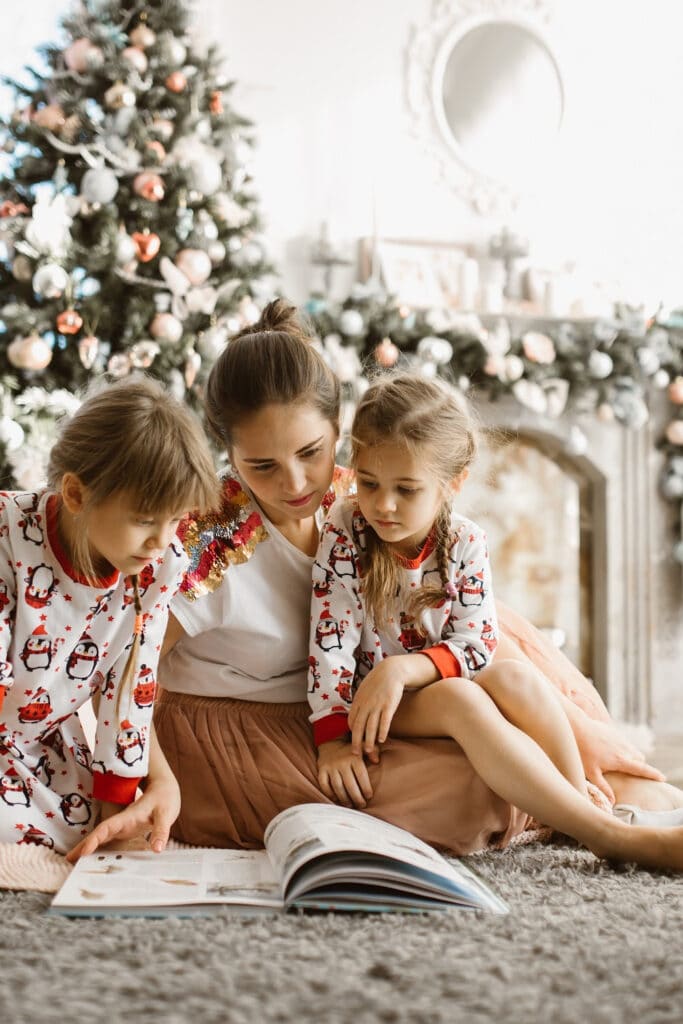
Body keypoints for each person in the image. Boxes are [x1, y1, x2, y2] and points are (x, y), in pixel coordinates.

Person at [75, 300, 683, 871]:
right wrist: (154, 775)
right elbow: (122, 671)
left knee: (510, 656)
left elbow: (447, 615)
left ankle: (607, 787)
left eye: (312, 452)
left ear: (338, 430)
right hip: (253, 726)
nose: (295, 482)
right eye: (262, 466)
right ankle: (595, 820)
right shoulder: (207, 549)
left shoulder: (362, 495)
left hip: (370, 689)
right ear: (228, 454)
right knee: (472, 784)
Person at [308, 372, 588, 807]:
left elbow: (477, 645)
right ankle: (586, 820)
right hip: (382, 703)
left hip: (429, 679)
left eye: (406, 489)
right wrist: (332, 742)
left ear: (452, 483)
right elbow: (331, 641)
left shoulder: (466, 541)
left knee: (516, 675)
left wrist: (402, 669)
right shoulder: (346, 531)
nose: (383, 504)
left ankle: (580, 800)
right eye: (368, 483)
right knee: (459, 698)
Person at [0, 376, 220, 856]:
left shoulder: (158, 566)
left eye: (176, 518)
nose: (162, 540)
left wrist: (116, 794)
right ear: (77, 495)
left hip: (41, 743)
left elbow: (132, 683)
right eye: (145, 519)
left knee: (96, 830)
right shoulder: (8, 538)